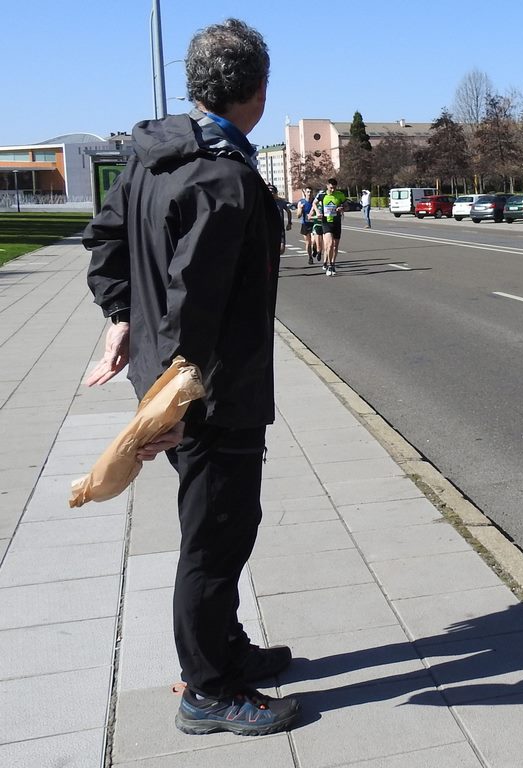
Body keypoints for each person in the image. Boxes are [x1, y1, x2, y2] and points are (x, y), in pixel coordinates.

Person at [81, 18, 300, 736]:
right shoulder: (223, 178)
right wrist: (170, 406)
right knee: (216, 539)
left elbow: (106, 241)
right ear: (258, 93)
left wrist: (119, 317)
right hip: (211, 397)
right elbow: (192, 309)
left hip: (180, 385)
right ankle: (207, 689)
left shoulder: (154, 155)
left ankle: (224, 647)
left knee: (221, 527)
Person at [320, 177, 347, 276]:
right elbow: (314, 203)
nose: (332, 190)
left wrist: (342, 208)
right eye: (331, 188)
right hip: (326, 222)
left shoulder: (340, 195)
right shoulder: (322, 195)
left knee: (335, 246)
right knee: (330, 244)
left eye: (334, 188)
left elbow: (346, 205)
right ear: (327, 186)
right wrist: (317, 212)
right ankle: (329, 265)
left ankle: (333, 264)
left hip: (336, 222)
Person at [296, 187, 317, 262]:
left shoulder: (315, 201)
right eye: (308, 192)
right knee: (308, 243)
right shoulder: (301, 202)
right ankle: (310, 257)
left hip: (314, 223)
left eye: (311, 192)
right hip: (305, 224)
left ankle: (315, 248)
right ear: (305, 192)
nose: (309, 194)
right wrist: (301, 209)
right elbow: (298, 216)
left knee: (314, 241)